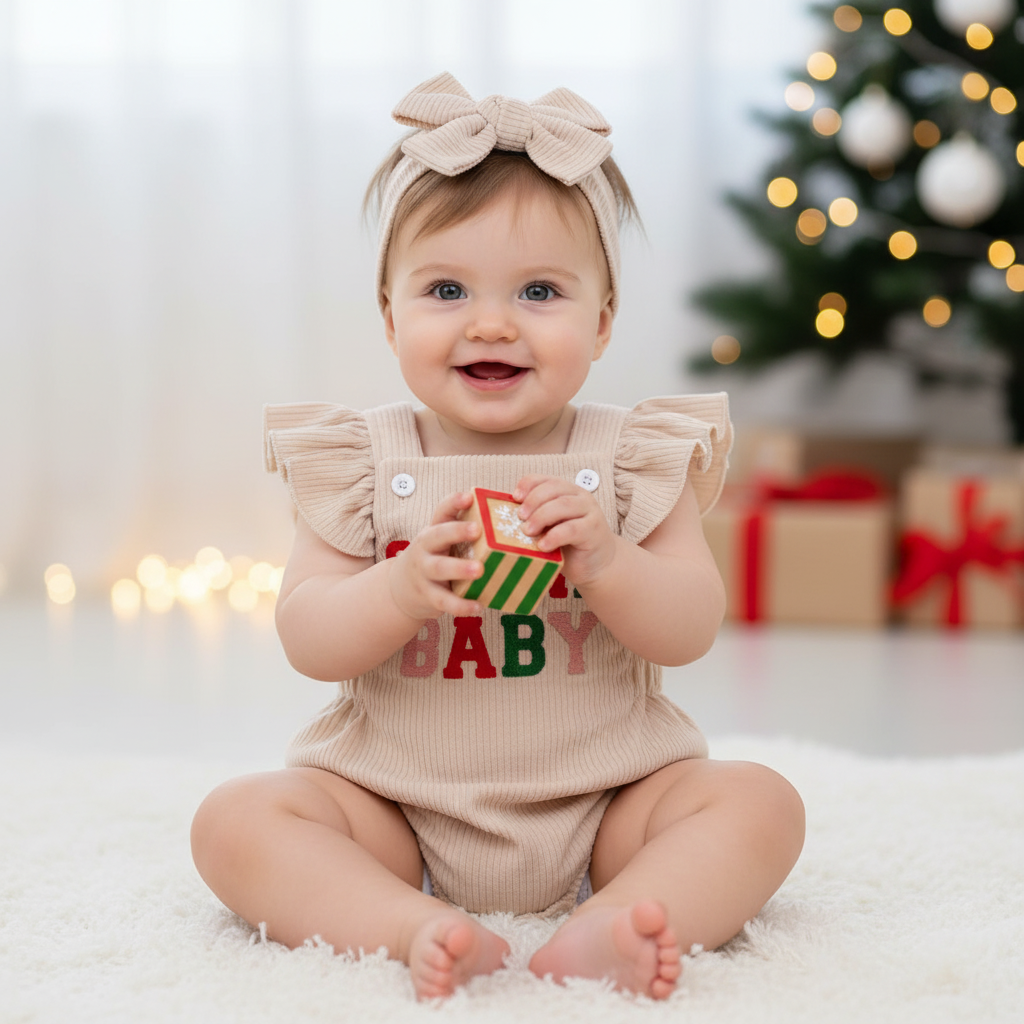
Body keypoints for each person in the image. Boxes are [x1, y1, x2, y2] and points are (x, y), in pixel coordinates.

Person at [190, 72, 805, 1002]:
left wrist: (609, 561)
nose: (491, 323)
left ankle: (611, 923)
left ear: (602, 324)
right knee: (235, 820)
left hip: (609, 799)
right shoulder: (360, 460)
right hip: (396, 805)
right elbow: (309, 638)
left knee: (761, 803)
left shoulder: (632, 458)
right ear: (391, 317)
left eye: (539, 291)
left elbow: (689, 627)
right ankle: (409, 924)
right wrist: (397, 589)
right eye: (446, 289)